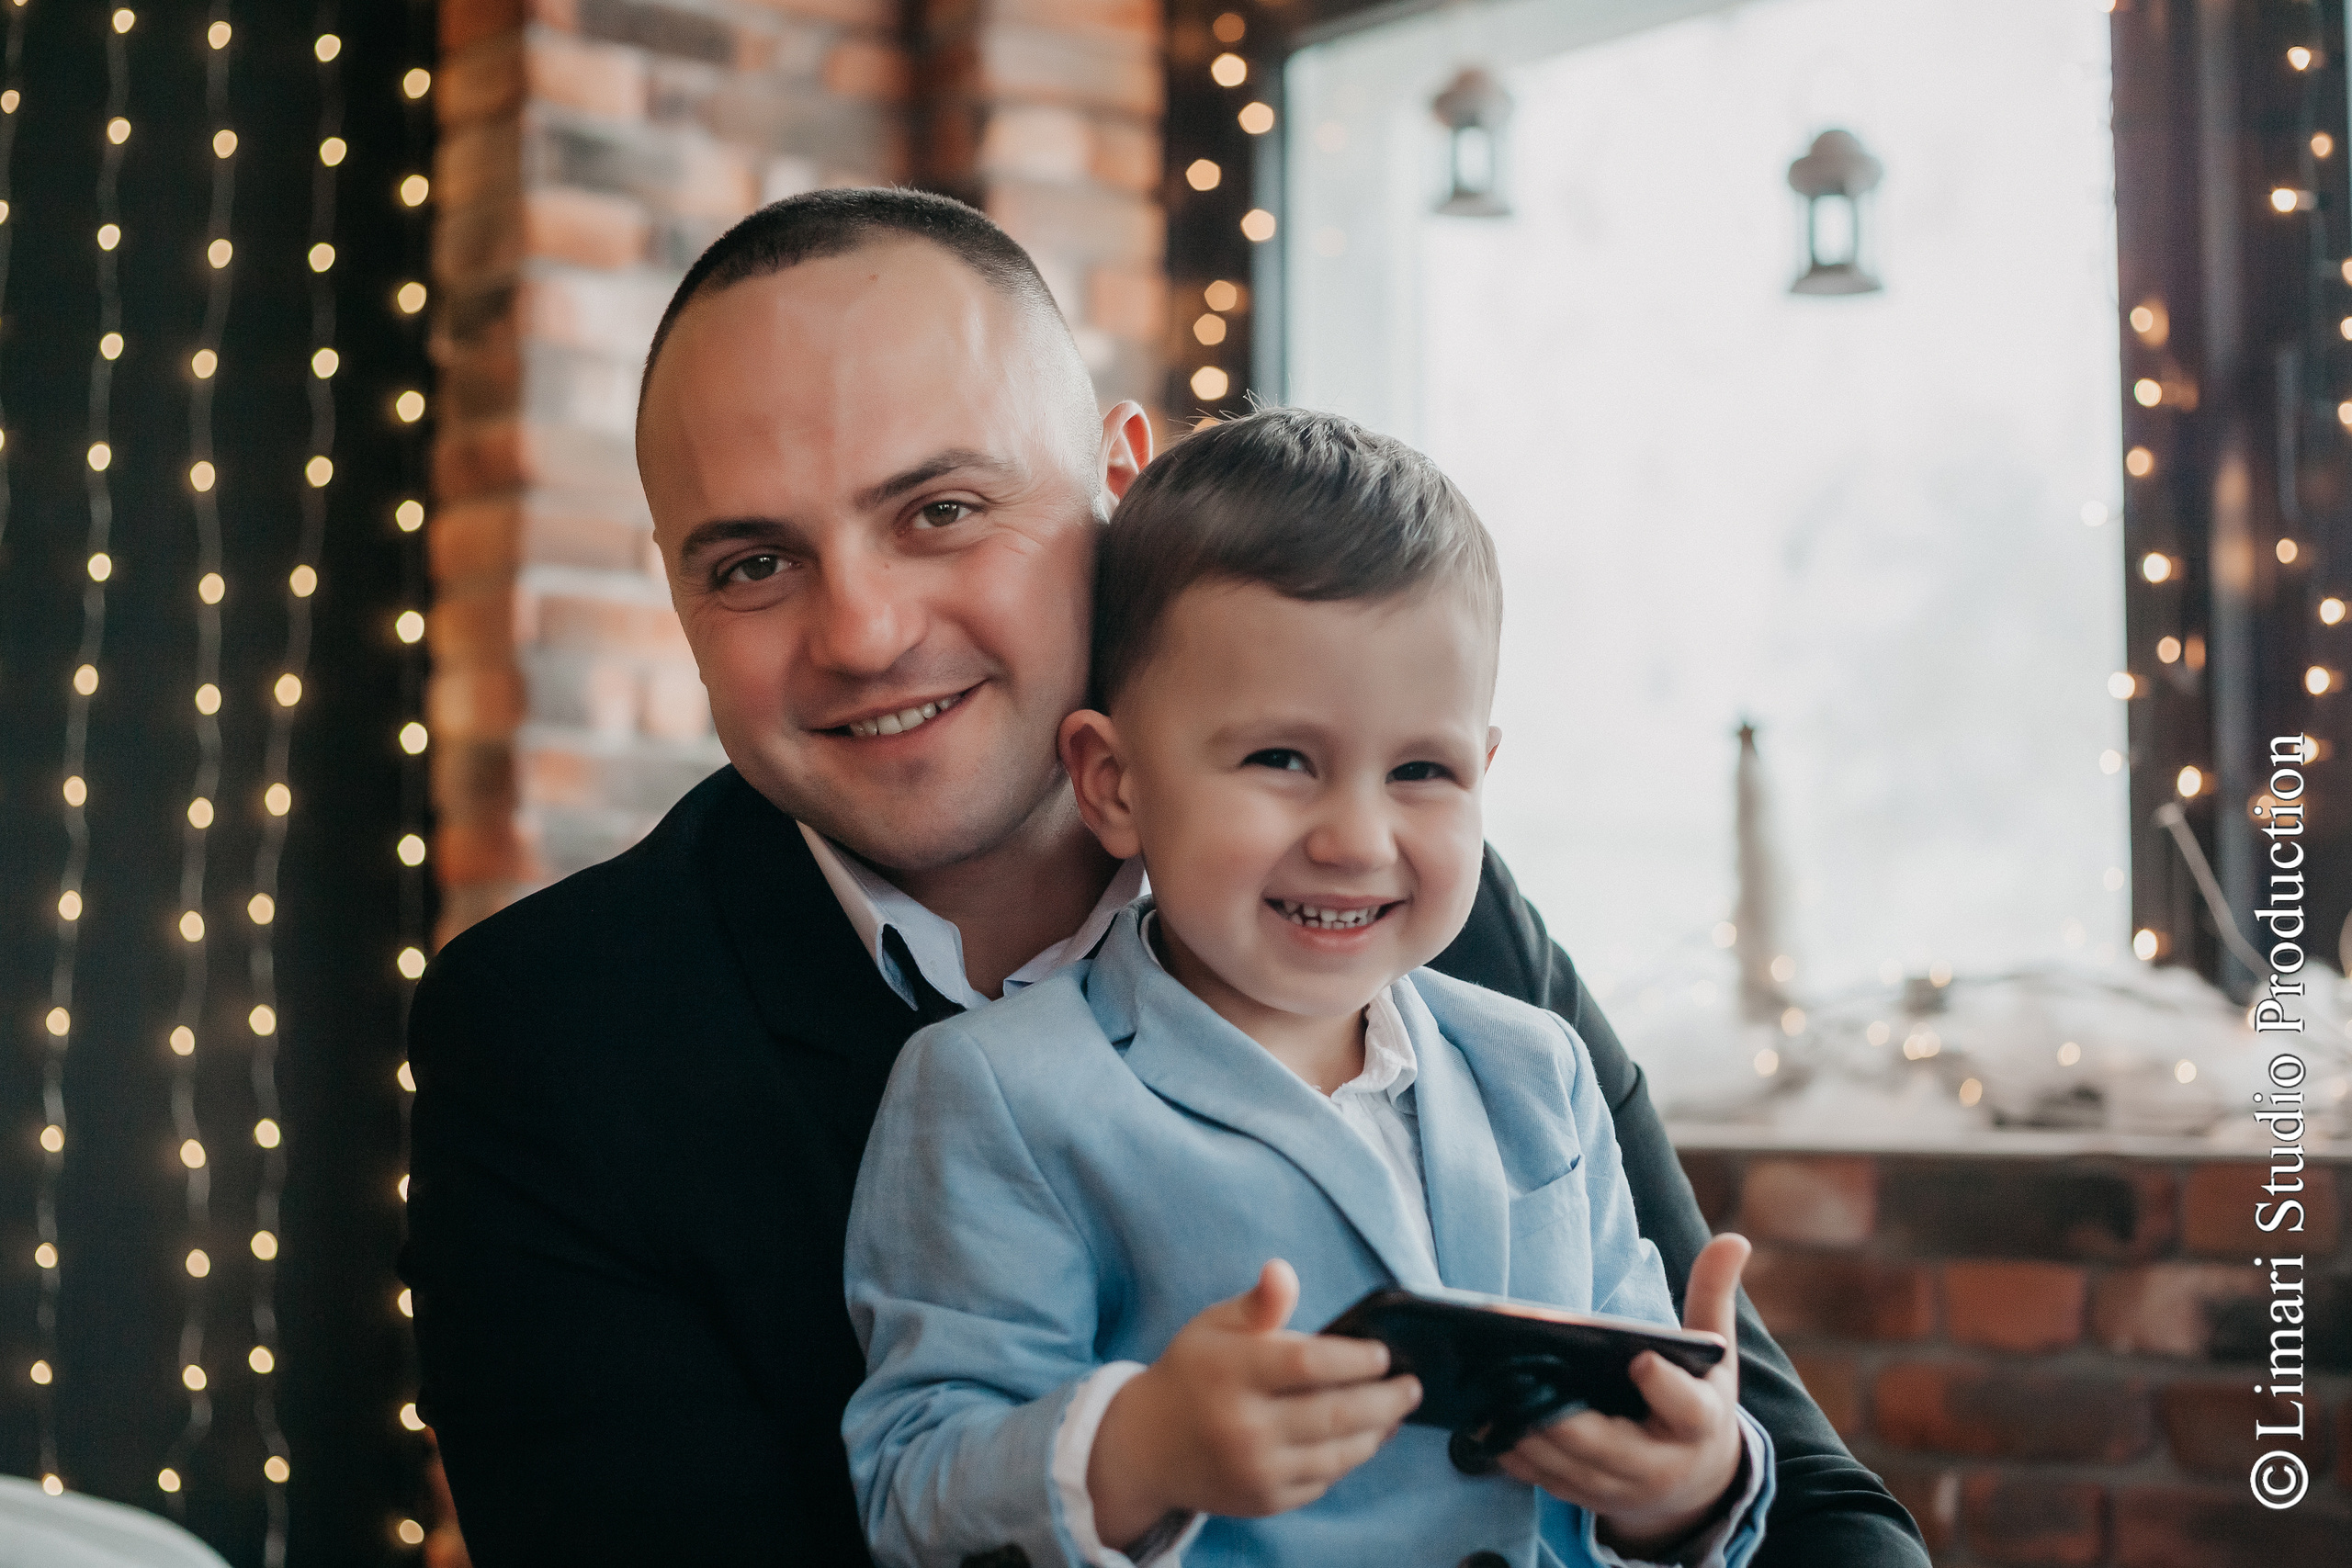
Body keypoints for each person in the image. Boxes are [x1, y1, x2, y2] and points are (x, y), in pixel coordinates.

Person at [400, 188, 1927, 1567]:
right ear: (674, 587)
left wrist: (1682, 1485)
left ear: (1121, 482)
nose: (859, 632)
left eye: (942, 510)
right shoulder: (554, 1035)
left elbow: (1824, 1521)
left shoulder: (1404, 898)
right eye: (752, 563)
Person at [845, 409, 1772, 1568]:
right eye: (1280, 760)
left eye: (1421, 771)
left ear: (1483, 776)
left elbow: (1637, 1454)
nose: (1356, 838)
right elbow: (915, 1485)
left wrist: (1691, 1480)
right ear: (1115, 782)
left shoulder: (1537, 1068)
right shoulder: (999, 1092)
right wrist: (1138, 1452)